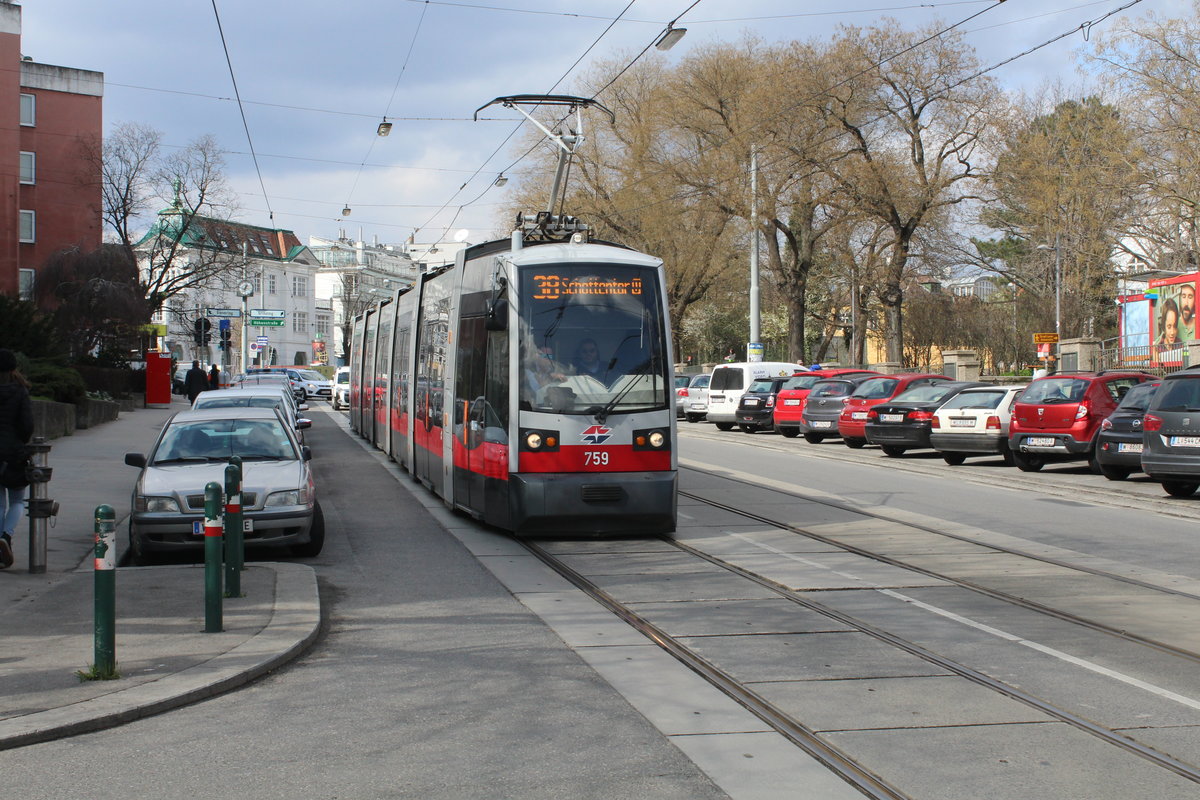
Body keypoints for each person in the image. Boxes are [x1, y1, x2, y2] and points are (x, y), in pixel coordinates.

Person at [0, 348, 33, 569]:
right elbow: (27, 426)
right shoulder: (20, 392)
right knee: (18, 501)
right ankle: (6, 536)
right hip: (13, 453)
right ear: (13, 369)